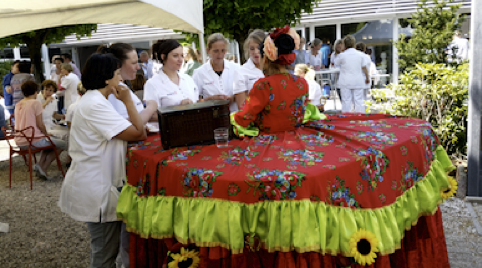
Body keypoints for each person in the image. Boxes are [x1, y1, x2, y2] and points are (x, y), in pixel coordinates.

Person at [58, 53, 147, 268]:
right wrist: (128, 101)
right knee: (105, 253)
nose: (122, 79)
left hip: (99, 182)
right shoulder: (94, 104)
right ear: (107, 79)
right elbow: (139, 133)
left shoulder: (95, 100)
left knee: (108, 249)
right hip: (97, 186)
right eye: (118, 74)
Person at [233, 25, 312, 133]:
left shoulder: (264, 85)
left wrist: (233, 118)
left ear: (265, 58)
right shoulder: (302, 82)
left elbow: (243, 118)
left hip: (269, 142)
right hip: (296, 137)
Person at [14, 80, 67, 180]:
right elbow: (40, 124)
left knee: (50, 142)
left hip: (19, 140)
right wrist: (47, 135)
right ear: (35, 91)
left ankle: (39, 165)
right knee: (62, 143)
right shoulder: (35, 103)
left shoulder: (18, 104)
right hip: (32, 140)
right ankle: (44, 167)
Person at [97, 43, 158, 125]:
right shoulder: (114, 89)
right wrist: (150, 108)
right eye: (134, 63)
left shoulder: (122, 86)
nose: (138, 67)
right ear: (118, 65)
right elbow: (125, 124)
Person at [144, 39, 199, 109]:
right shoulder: (153, 84)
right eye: (175, 56)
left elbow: (197, 103)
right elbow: (151, 115)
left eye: (182, 55)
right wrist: (179, 108)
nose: (180, 59)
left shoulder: (188, 79)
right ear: (163, 57)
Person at [192, 33, 240, 112]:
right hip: (211, 119)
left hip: (234, 117)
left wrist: (233, 97)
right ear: (208, 51)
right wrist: (210, 100)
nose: (220, 55)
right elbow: (194, 102)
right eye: (216, 51)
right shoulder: (199, 73)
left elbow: (244, 93)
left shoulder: (236, 69)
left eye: (223, 50)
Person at [334, 35, 370, 113]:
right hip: (357, 80)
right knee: (359, 100)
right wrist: (367, 78)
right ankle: (360, 117)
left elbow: (336, 62)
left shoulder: (342, 55)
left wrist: (342, 51)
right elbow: (364, 67)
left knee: (346, 101)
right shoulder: (360, 55)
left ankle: (346, 118)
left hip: (345, 81)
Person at [233, 29, 266, 109]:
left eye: (259, 47)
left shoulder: (275, 68)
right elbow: (242, 106)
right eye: (252, 48)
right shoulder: (241, 72)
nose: (255, 52)